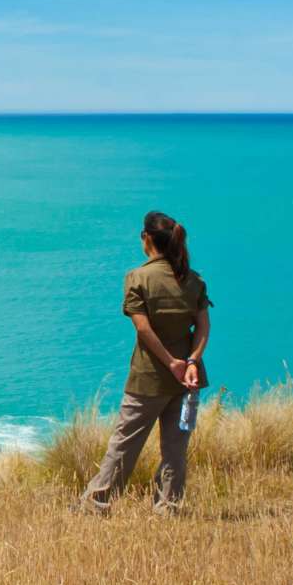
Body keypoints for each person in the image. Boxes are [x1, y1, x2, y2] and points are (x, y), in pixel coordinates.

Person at [78, 210, 211, 514]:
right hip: (188, 381)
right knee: (176, 448)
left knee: (125, 444)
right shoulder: (193, 280)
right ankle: (168, 507)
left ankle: (97, 504)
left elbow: (143, 328)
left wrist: (170, 362)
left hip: (149, 377)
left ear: (146, 238)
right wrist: (190, 362)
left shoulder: (138, 278)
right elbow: (203, 326)